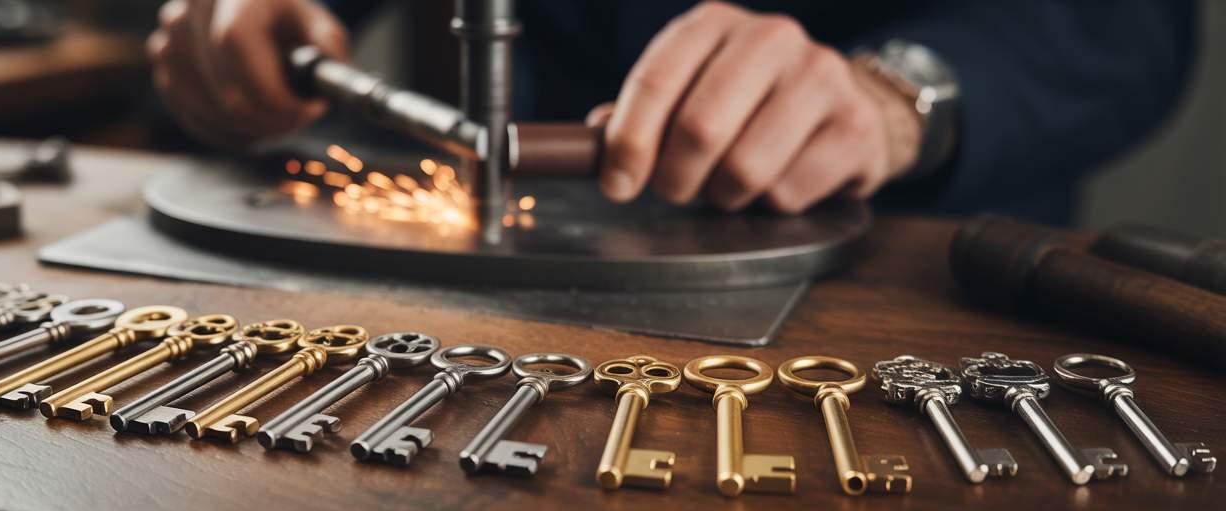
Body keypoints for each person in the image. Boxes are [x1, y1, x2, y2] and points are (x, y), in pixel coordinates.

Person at [147, 0, 1197, 225]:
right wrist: (243, 23)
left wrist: (897, 96)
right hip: (536, 256)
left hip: (918, 260)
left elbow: (1128, 27)